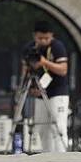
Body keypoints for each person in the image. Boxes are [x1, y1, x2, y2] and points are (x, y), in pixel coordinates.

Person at [20, 21, 69, 153]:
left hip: (57, 92)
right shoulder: (29, 49)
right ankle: (47, 158)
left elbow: (63, 69)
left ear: (51, 35)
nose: (43, 41)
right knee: (42, 129)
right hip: (39, 92)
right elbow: (25, 70)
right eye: (40, 38)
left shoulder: (57, 47)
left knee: (58, 127)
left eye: (46, 38)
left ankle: (61, 159)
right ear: (34, 36)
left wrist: (44, 62)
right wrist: (29, 87)